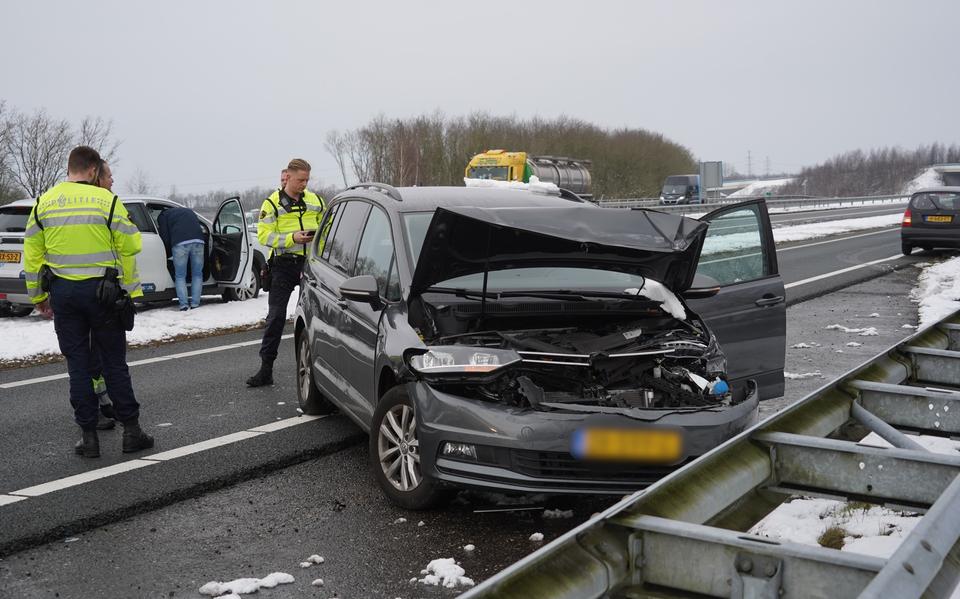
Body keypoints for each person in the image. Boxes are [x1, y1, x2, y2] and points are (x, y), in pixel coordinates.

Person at [24, 146, 154, 458]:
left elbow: (31, 255)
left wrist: (38, 297)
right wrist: (132, 293)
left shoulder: (44, 202)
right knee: (113, 363)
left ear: (70, 168)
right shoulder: (107, 201)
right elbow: (132, 244)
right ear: (94, 171)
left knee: (78, 367)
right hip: (103, 294)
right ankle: (132, 432)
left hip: (64, 295)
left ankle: (88, 437)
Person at [246, 158, 325, 387]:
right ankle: (266, 369)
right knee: (276, 317)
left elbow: (327, 225)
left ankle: (316, 369)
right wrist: (292, 238)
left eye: (307, 180)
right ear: (288, 177)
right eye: (301, 180)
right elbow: (264, 236)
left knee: (311, 317)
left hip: (309, 264)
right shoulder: (271, 204)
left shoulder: (315, 200)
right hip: (282, 265)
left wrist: (317, 236)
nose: (304, 184)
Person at [157, 206, 206, 310]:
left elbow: (164, 235)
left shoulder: (163, 215)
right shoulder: (188, 210)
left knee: (180, 276)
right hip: (199, 242)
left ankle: (184, 305)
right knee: (197, 274)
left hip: (180, 244)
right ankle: (195, 304)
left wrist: (167, 252)